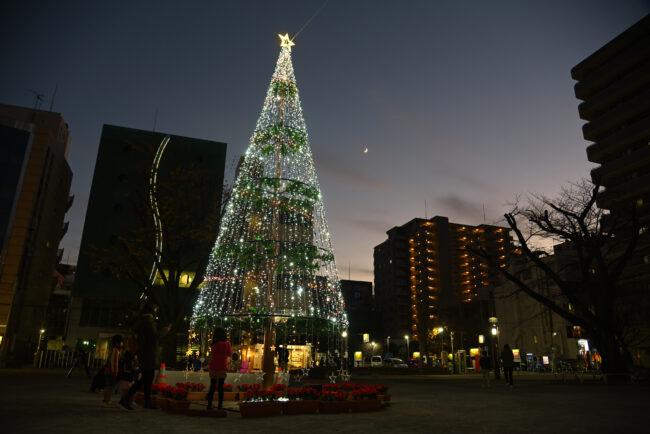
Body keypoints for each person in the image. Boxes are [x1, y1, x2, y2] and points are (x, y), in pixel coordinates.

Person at [124, 302, 163, 409]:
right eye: (155, 308)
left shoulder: (143, 321)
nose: (156, 311)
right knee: (146, 378)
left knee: (147, 378)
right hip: (147, 354)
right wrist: (163, 332)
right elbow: (152, 338)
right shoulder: (148, 322)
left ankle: (147, 401)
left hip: (145, 354)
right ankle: (126, 399)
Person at [206, 327, 231, 411]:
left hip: (213, 366)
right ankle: (220, 406)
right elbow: (229, 354)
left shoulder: (213, 344)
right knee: (220, 387)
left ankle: (209, 405)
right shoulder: (226, 344)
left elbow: (213, 353)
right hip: (222, 367)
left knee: (212, 386)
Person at [117, 337, 138, 410]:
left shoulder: (129, 354)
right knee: (126, 389)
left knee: (127, 388)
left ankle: (124, 401)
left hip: (128, 375)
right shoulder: (128, 355)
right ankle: (124, 402)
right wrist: (134, 368)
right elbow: (128, 365)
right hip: (127, 375)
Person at [103, 334, 123, 406]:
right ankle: (107, 400)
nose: (122, 344)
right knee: (110, 386)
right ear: (117, 342)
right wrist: (115, 373)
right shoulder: (116, 351)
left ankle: (106, 400)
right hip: (111, 371)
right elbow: (114, 363)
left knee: (107, 385)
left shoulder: (112, 350)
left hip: (108, 370)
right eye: (121, 342)